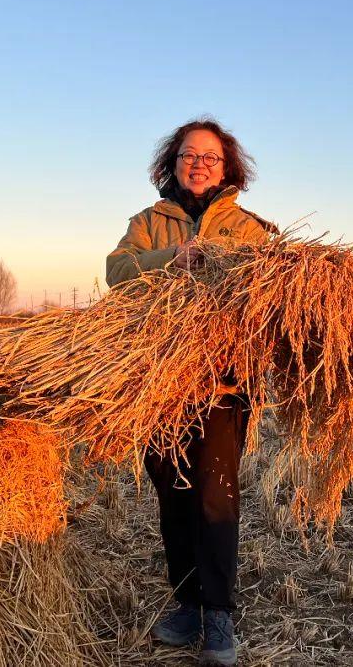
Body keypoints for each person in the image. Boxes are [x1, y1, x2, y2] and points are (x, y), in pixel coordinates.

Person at [106, 119, 276, 666]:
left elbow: (266, 293)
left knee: (214, 492)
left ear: (228, 168)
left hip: (223, 380)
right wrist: (169, 262)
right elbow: (117, 271)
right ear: (172, 162)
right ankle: (187, 604)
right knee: (173, 490)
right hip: (157, 381)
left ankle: (219, 612)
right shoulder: (149, 222)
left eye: (210, 156)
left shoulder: (248, 228)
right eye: (188, 154)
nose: (198, 163)